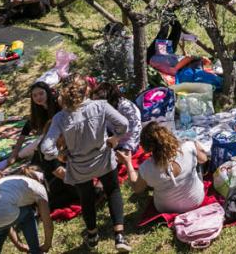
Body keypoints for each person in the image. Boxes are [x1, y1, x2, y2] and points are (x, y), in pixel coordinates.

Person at [40, 74, 131, 252]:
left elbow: (45, 147)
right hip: (103, 158)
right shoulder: (100, 106)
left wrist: (60, 156)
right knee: (112, 190)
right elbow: (124, 124)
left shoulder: (60, 117)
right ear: (87, 89)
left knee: (86, 198)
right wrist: (115, 138)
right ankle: (119, 236)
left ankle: (92, 235)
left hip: (79, 166)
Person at [118, 123, 208, 214]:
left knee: (151, 178)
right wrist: (195, 143)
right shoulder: (188, 147)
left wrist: (128, 162)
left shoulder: (146, 167)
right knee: (197, 162)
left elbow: (137, 188)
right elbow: (204, 159)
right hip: (196, 200)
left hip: (166, 208)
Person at [0, 169, 53, 254]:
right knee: (28, 215)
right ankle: (35, 251)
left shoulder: (7, 181)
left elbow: (5, 222)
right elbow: (47, 223)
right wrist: (47, 245)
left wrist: (19, 245)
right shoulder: (38, 187)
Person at [10, 82, 62, 163]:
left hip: (66, 135)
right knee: (23, 153)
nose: (38, 97)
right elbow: (26, 129)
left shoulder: (58, 102)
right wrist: (14, 153)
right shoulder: (38, 109)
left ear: (47, 92)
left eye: (41, 93)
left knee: (40, 146)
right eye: (35, 95)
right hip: (53, 136)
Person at [91, 82, 142, 152]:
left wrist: (126, 150)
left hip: (129, 146)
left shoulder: (127, 108)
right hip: (113, 144)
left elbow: (135, 131)